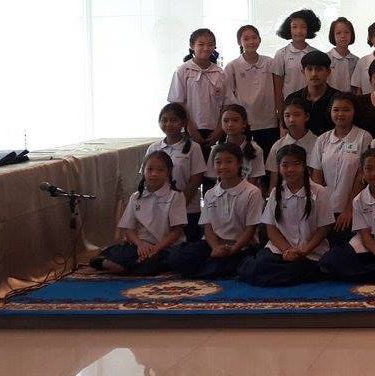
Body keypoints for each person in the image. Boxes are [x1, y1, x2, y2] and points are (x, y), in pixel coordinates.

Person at [237, 144, 335, 287]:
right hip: (281, 251)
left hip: (310, 252)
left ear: (304, 166)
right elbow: (271, 229)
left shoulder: (319, 192)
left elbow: (323, 229)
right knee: (262, 265)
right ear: (279, 168)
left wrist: (304, 251)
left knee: (302, 269)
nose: (290, 169)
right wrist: (286, 250)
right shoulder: (275, 192)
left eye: (296, 164)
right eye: (285, 165)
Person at [168, 143, 262, 278]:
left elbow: (250, 229)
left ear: (239, 163)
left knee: (247, 265)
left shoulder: (252, 192)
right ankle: (214, 268)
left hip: (241, 247)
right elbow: (208, 228)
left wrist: (233, 249)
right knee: (176, 256)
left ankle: (212, 268)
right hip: (214, 245)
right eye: (218, 162)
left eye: (228, 161)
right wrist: (216, 248)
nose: (223, 166)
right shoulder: (210, 194)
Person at [319, 148, 375, 284]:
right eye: (368, 169)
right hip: (368, 247)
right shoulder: (359, 199)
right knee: (327, 263)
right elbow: (365, 235)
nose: (374, 173)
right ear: (362, 172)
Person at [90, 151, 186, 275]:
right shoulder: (136, 197)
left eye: (160, 170)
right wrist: (140, 245)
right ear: (143, 171)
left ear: (168, 172)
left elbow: (176, 231)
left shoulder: (175, 196)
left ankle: (124, 266)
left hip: (165, 247)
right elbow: (129, 229)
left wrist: (156, 248)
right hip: (141, 246)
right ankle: (121, 264)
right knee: (112, 254)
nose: (154, 174)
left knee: (160, 262)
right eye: (150, 169)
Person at [309, 92, 373, 246]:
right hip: (325, 209)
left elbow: (361, 176)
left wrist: (349, 209)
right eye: (336, 110)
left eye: (346, 110)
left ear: (354, 111)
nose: (340, 114)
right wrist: (323, 209)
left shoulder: (364, 137)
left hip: (353, 209)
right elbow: (317, 175)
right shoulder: (322, 139)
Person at [147, 103, 207, 242]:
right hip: (160, 209)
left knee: (186, 248)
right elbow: (147, 178)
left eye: (173, 120)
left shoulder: (193, 147)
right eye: (164, 120)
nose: (168, 124)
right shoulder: (154, 148)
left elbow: (196, 179)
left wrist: (179, 205)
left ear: (183, 123)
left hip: (188, 209)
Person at [223, 25, 278, 159]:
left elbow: (278, 89)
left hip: (269, 122)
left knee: (268, 161)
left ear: (259, 40)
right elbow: (229, 96)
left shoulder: (270, 62)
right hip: (245, 123)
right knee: (247, 160)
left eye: (254, 38)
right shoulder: (232, 66)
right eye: (246, 39)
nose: (251, 42)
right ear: (239, 42)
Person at [168, 28, 226, 155]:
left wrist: (219, 130)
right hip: (189, 130)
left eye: (210, 44)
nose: (206, 48)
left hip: (214, 130)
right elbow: (177, 103)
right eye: (201, 44)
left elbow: (226, 104)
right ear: (192, 46)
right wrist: (190, 128)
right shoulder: (183, 70)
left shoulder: (220, 73)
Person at [207, 105, 266, 193]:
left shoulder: (256, 150)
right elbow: (213, 176)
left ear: (244, 123)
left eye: (235, 120)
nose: (230, 124)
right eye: (226, 121)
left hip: (247, 194)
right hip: (221, 193)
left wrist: (242, 194)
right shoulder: (215, 149)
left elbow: (254, 178)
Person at [272, 10, 321, 109]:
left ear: (309, 29)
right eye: (294, 27)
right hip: (289, 105)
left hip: (312, 104)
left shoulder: (315, 53)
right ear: (289, 29)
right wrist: (280, 110)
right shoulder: (281, 54)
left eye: (303, 27)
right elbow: (277, 87)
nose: (299, 31)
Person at [265, 98, 317, 191]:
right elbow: (274, 180)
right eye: (287, 116)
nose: (291, 120)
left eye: (297, 115)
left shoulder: (317, 143)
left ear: (306, 116)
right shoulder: (278, 146)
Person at [282, 50, 338, 136]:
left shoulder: (337, 99)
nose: (314, 74)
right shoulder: (292, 99)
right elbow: (286, 132)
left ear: (328, 72)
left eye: (319, 69)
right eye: (309, 69)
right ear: (303, 72)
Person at [326, 17, 360, 94]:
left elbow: (357, 87)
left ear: (351, 34)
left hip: (350, 99)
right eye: (338, 33)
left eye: (346, 32)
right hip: (330, 99)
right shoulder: (326, 58)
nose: (343, 36)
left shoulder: (356, 60)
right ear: (333, 35)